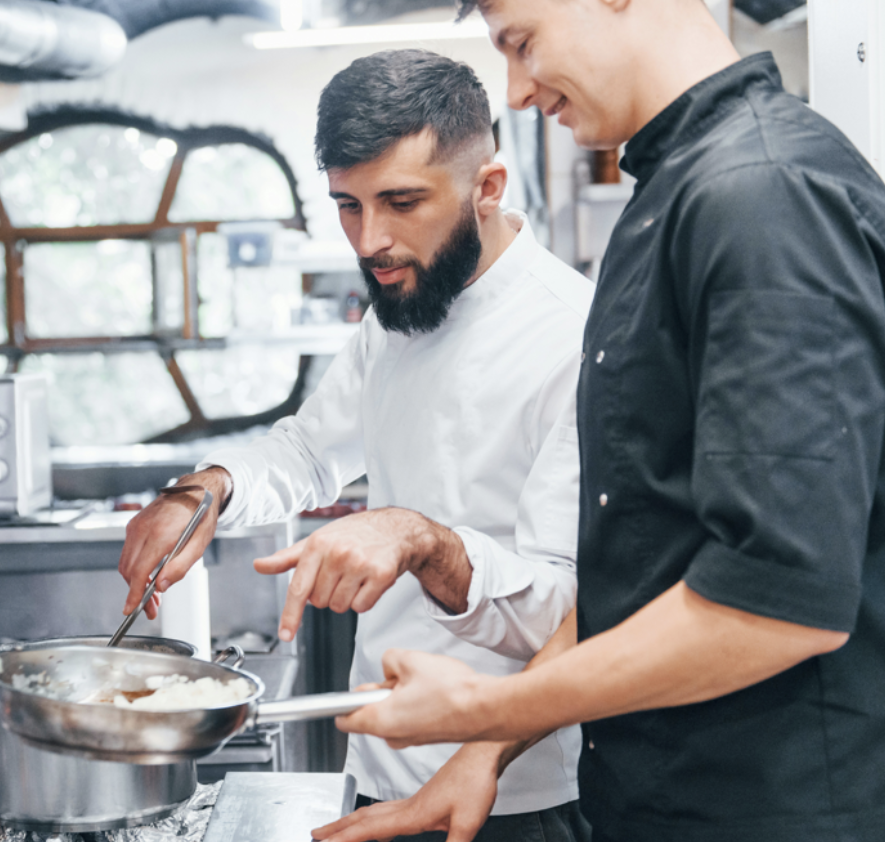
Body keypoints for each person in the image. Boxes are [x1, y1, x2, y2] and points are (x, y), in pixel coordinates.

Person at [317, 2, 885, 842]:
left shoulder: (762, 195)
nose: (514, 89)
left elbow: (778, 600)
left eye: (522, 42)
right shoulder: (672, 196)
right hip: (654, 802)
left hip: (771, 810)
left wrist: (490, 701)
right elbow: (653, 564)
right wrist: (486, 749)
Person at [119, 51, 594, 841]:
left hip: (513, 797)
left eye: (401, 201)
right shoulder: (403, 300)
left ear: (487, 188)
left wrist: (421, 541)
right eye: (347, 205)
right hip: (377, 768)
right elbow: (310, 451)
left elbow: (570, 609)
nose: (369, 241)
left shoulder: (573, 336)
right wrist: (207, 488)